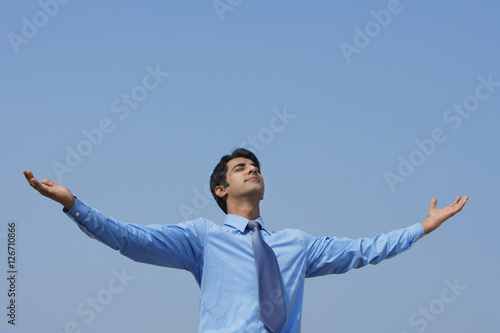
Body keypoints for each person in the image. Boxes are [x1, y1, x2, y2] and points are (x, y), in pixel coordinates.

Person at [23, 148, 468, 332]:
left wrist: (422, 228)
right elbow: (132, 240)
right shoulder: (203, 239)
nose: (252, 169)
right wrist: (73, 204)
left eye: (255, 166)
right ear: (221, 190)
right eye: (240, 168)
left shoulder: (297, 244)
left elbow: (361, 251)